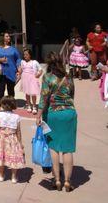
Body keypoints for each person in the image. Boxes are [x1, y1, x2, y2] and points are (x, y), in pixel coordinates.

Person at [36, 52, 77, 192]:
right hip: (69, 113)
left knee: (53, 147)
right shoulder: (68, 76)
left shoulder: (47, 77)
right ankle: (67, 181)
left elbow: (43, 99)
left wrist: (38, 116)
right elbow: (72, 95)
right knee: (67, 148)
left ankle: (57, 179)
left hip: (53, 114)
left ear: (49, 64)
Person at [0, 96, 25, 183]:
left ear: (3, 105)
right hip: (12, 138)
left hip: (2, 138)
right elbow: (18, 131)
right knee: (13, 156)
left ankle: (1, 176)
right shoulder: (16, 116)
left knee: (2, 156)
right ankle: (14, 177)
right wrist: (20, 143)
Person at [0, 32, 21, 102]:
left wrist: (19, 67)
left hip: (11, 71)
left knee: (11, 89)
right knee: (1, 89)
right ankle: (2, 105)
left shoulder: (13, 49)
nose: (9, 38)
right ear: (2, 38)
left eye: (9, 36)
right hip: (0, 72)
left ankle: (11, 104)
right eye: (7, 36)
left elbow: (18, 59)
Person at [17, 48, 42, 114]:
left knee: (33, 93)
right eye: (24, 54)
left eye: (26, 54)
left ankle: (34, 106)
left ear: (30, 55)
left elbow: (40, 69)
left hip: (33, 79)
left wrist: (38, 74)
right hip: (25, 79)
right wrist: (19, 72)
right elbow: (20, 70)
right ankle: (29, 105)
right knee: (27, 93)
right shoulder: (22, 62)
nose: (25, 56)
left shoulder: (34, 62)